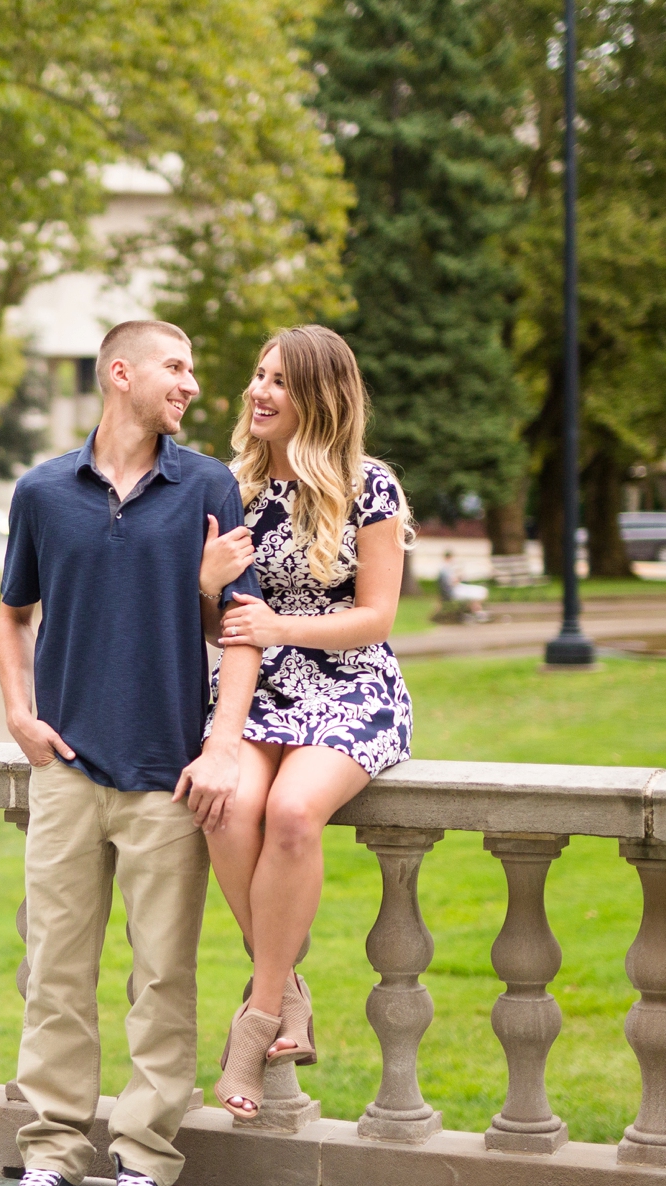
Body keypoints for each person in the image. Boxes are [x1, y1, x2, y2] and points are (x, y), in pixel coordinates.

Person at [0, 319, 262, 1186]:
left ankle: (143, 1164)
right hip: (67, 771)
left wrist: (222, 745)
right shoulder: (41, 493)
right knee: (55, 976)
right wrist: (18, 713)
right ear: (122, 374)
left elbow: (241, 631)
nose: (191, 384)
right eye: (176, 367)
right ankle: (52, 1157)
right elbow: (12, 616)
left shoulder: (209, 488)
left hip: (165, 774)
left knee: (162, 979)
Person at [195, 324, 414, 1120]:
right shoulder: (227, 487)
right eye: (257, 376)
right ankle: (286, 990)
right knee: (223, 804)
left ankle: (254, 1025)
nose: (258, 392)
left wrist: (281, 627)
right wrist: (204, 584)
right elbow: (206, 619)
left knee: (291, 813)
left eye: (279, 382)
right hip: (254, 686)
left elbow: (377, 616)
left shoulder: (370, 486)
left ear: (318, 398)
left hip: (352, 682)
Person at [435, 549, 489, 622]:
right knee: (478, 593)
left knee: (476, 593)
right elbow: (451, 582)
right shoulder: (445, 569)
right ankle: (476, 612)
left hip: (454, 589)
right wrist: (459, 578)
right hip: (453, 591)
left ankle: (475, 612)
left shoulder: (446, 568)